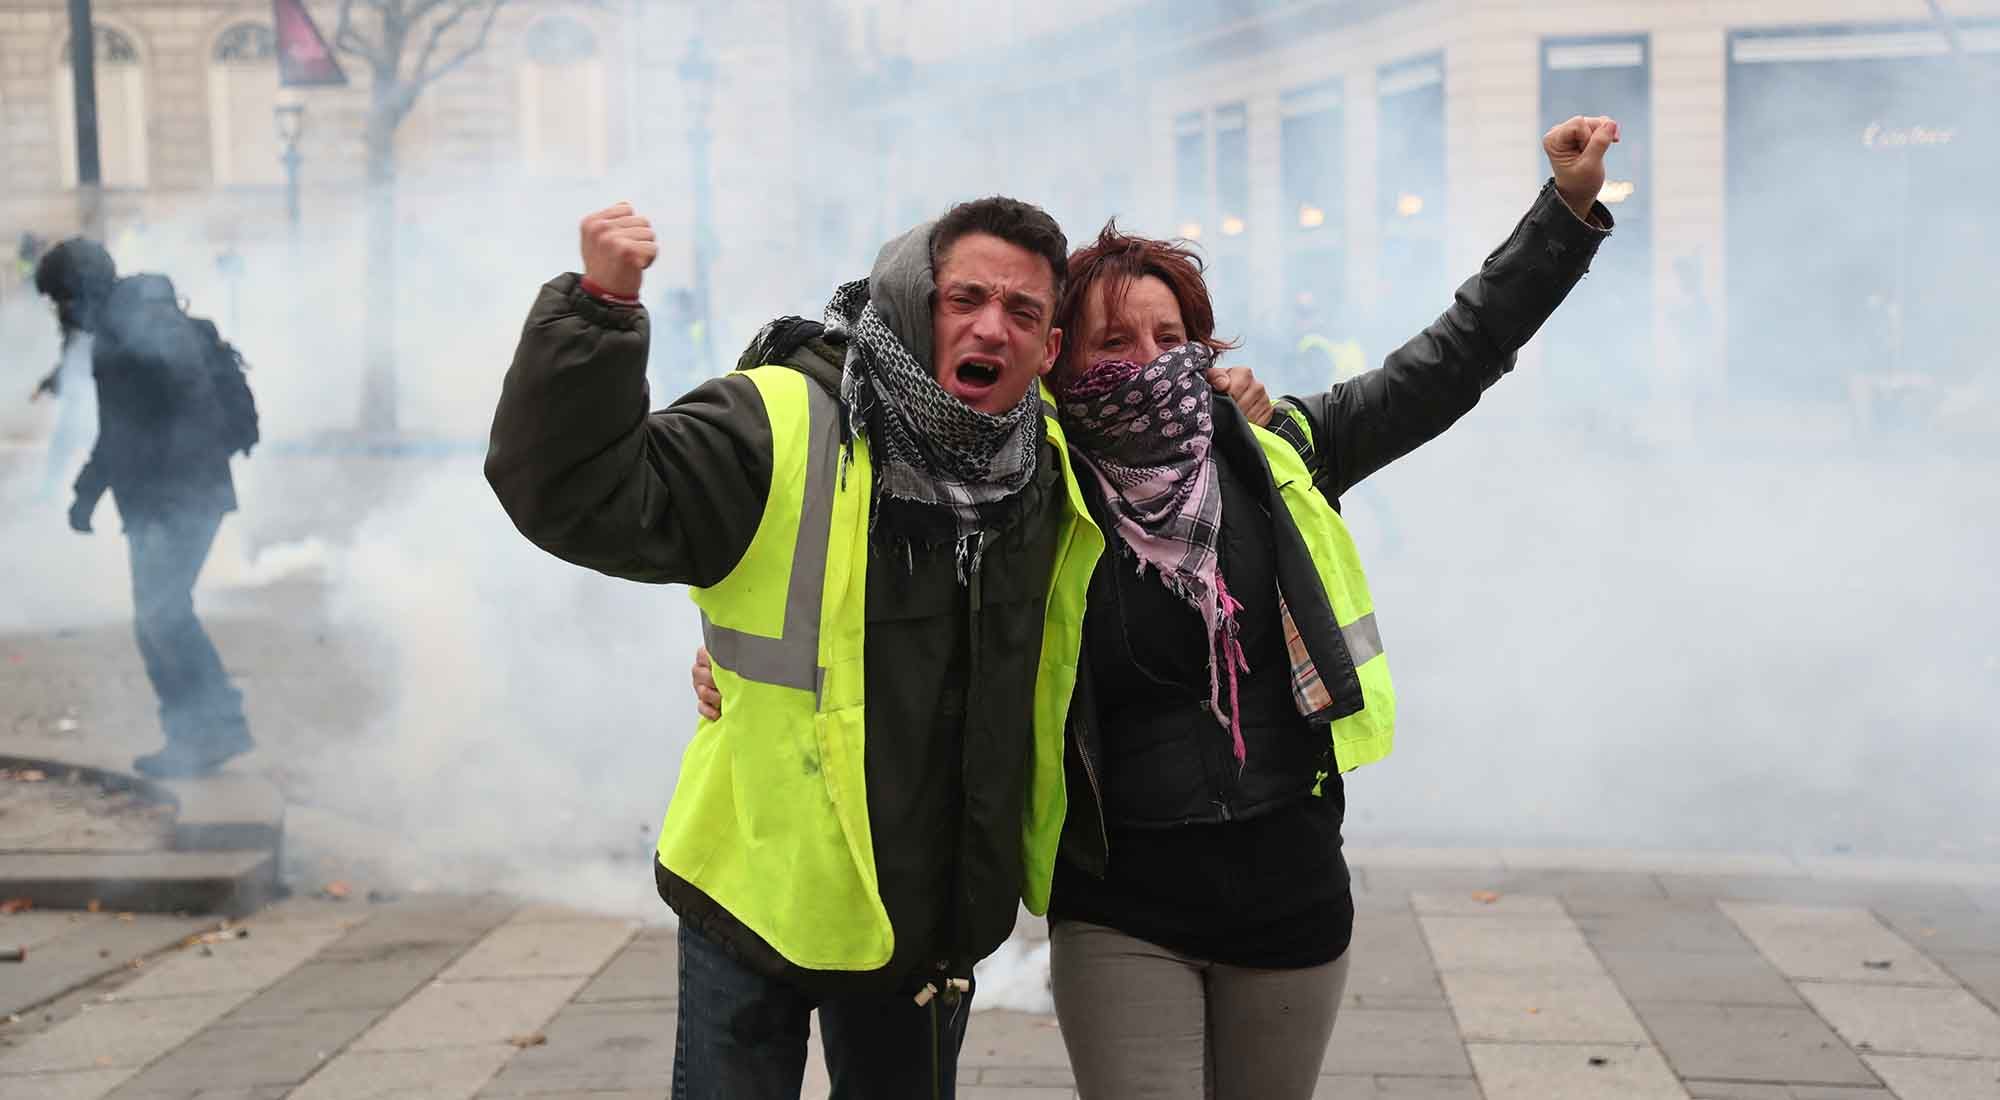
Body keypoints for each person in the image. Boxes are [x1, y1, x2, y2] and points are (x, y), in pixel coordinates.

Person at [695, 115, 1621, 1099]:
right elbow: (882, 582)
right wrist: (741, 668)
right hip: (1123, 906)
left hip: (1289, 892)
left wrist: (1561, 210)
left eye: (1169, 336)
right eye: (1113, 340)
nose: (1146, 360)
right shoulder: (1028, 492)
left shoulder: (1275, 452)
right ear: (1055, 358)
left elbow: (1454, 355)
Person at [485, 196, 1267, 1100]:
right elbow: (579, 497)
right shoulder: (782, 417)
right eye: (963, 298)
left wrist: (1230, 399)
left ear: (1049, 351)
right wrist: (600, 310)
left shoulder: (1047, 466)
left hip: (922, 918)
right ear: (909, 302)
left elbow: (1159, 469)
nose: (991, 326)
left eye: (1023, 312)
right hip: (759, 888)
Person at [69, 273, 258, 778]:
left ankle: (211, 731)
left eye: (60, 301)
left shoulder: (120, 338)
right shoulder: (152, 323)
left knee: (162, 617)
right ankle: (200, 734)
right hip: (191, 493)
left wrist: (87, 495)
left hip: (168, 499)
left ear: (76, 294)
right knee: (161, 617)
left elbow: (119, 433)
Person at [30, 238, 116, 500]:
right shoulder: (82, 327)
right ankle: (49, 494)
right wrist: (51, 382)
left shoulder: (120, 329)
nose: (58, 310)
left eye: (62, 300)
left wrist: (86, 501)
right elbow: (74, 365)